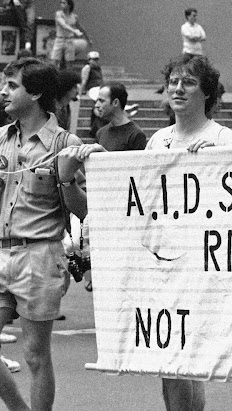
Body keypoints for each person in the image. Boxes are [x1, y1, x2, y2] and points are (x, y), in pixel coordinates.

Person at [74, 54, 232, 411]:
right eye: (174, 82)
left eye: (190, 82)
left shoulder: (223, 138)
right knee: (169, 363)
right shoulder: (159, 141)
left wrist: (221, 161)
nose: (179, 89)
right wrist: (107, 164)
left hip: (204, 265)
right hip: (164, 263)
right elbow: (143, 195)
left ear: (207, 93)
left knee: (189, 361)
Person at [0, 57, 88, 411]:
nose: (3, 92)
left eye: (12, 86)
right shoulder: (1, 139)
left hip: (40, 255)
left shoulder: (65, 143)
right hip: (0, 252)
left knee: (35, 355)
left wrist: (66, 176)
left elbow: (82, 209)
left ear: (34, 93)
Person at [94, 82, 147, 151]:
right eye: (97, 100)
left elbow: (136, 161)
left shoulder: (136, 135)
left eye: (101, 101)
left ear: (115, 102)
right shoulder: (101, 133)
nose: (96, 105)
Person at [51, 0, 90, 69]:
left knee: (69, 63)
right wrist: (74, 31)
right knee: (55, 61)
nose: (61, 4)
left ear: (69, 5)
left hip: (69, 40)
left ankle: (68, 77)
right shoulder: (58, 14)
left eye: (64, 3)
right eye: (61, 3)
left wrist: (88, 39)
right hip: (59, 39)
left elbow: (80, 28)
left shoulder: (74, 17)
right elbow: (63, 25)